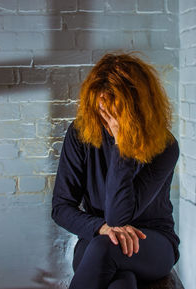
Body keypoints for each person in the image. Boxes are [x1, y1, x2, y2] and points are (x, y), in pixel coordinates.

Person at [51, 51, 180, 289]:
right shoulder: (80, 134)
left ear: (138, 109)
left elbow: (119, 217)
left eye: (115, 112)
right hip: (96, 237)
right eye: (102, 111)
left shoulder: (165, 146)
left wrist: (123, 145)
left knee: (107, 248)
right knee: (122, 282)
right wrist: (100, 228)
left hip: (152, 242)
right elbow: (61, 208)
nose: (108, 121)